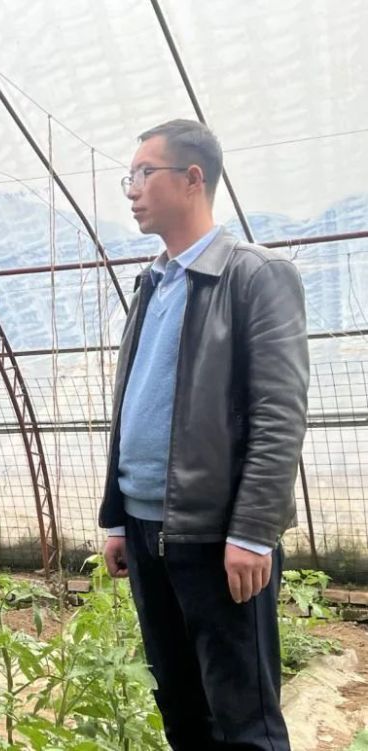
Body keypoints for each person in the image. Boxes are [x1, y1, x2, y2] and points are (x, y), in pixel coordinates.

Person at [99, 119, 308, 750]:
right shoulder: (153, 282)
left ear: (193, 179)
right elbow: (134, 403)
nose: (132, 189)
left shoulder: (254, 275)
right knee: (182, 711)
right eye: (129, 177)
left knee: (244, 718)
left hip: (215, 535)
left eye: (144, 173)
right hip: (145, 529)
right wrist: (118, 518)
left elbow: (279, 413)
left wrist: (253, 531)